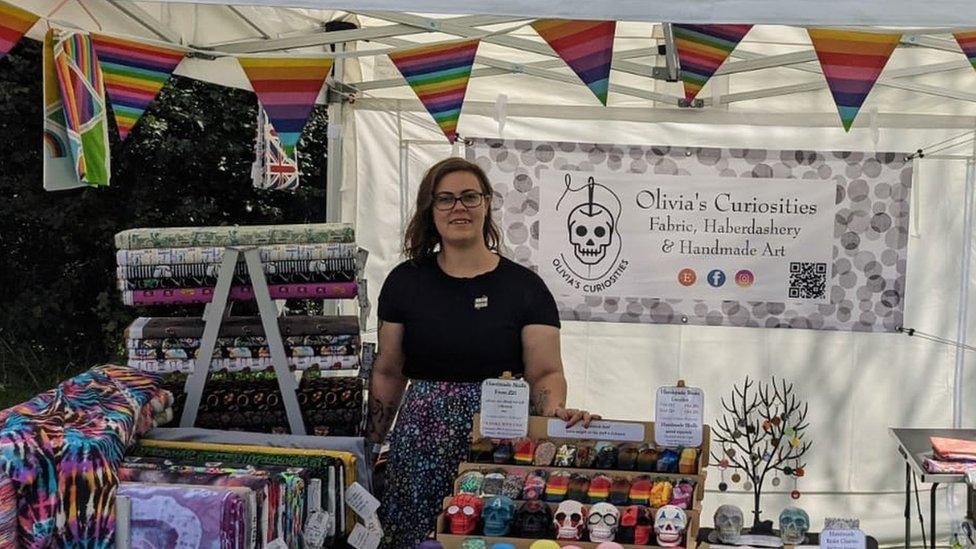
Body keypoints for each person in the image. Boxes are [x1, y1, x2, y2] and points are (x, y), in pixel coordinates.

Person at [368, 157, 599, 547]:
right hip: (420, 445)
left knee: (495, 536)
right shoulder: (404, 282)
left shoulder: (525, 288)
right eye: (445, 199)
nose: (459, 207)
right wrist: (369, 444)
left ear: (487, 203)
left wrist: (552, 415)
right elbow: (389, 371)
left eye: (469, 196)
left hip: (501, 443)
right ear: (431, 209)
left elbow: (544, 373)